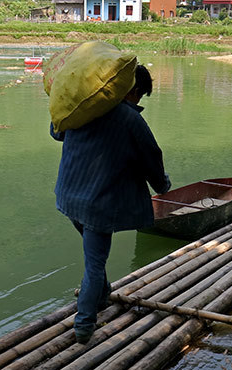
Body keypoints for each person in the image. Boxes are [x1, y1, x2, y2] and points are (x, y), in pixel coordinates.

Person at [51, 64, 170, 344]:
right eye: (140, 94)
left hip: (69, 196)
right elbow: (151, 158)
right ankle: (83, 327)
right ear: (132, 90)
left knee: (94, 256)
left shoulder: (85, 108)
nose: (139, 101)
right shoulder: (130, 119)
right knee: (94, 263)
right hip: (98, 203)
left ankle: (102, 297)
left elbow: (57, 132)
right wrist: (162, 186)